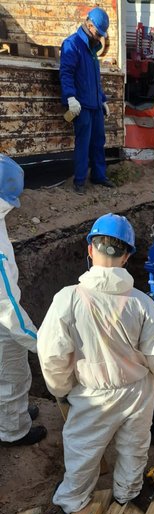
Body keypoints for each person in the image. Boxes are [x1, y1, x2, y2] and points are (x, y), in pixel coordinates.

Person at [37, 213, 154, 514]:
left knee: (83, 450)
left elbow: (51, 353)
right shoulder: (142, 303)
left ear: (90, 249)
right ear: (126, 256)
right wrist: (151, 385)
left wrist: (61, 389)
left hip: (92, 394)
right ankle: (126, 495)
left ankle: (72, 502)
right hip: (137, 390)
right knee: (134, 448)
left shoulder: (68, 299)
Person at [0, 155, 47, 447]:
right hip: (3, 327)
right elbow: (9, 311)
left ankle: (10, 414)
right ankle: (13, 430)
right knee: (12, 376)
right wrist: (41, 343)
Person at [59, 7, 114, 195]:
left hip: (95, 105)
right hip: (81, 105)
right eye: (98, 34)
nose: (99, 38)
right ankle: (80, 181)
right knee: (83, 143)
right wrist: (70, 97)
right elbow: (66, 73)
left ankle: (99, 176)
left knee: (98, 141)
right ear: (89, 25)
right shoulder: (72, 44)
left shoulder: (92, 49)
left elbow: (95, 79)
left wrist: (102, 100)